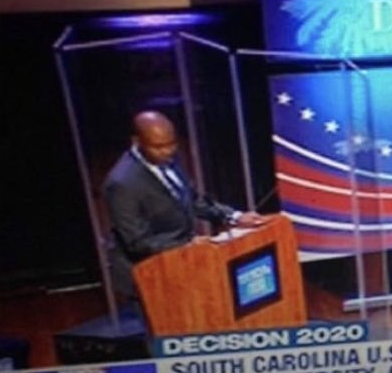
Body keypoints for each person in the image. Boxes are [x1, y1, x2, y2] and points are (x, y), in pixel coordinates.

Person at [103, 110, 269, 301]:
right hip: (149, 275)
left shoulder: (169, 159)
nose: (168, 151)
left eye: (172, 143)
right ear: (137, 141)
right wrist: (186, 245)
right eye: (158, 147)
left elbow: (193, 200)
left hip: (182, 266)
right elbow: (137, 242)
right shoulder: (122, 183)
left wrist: (234, 217)